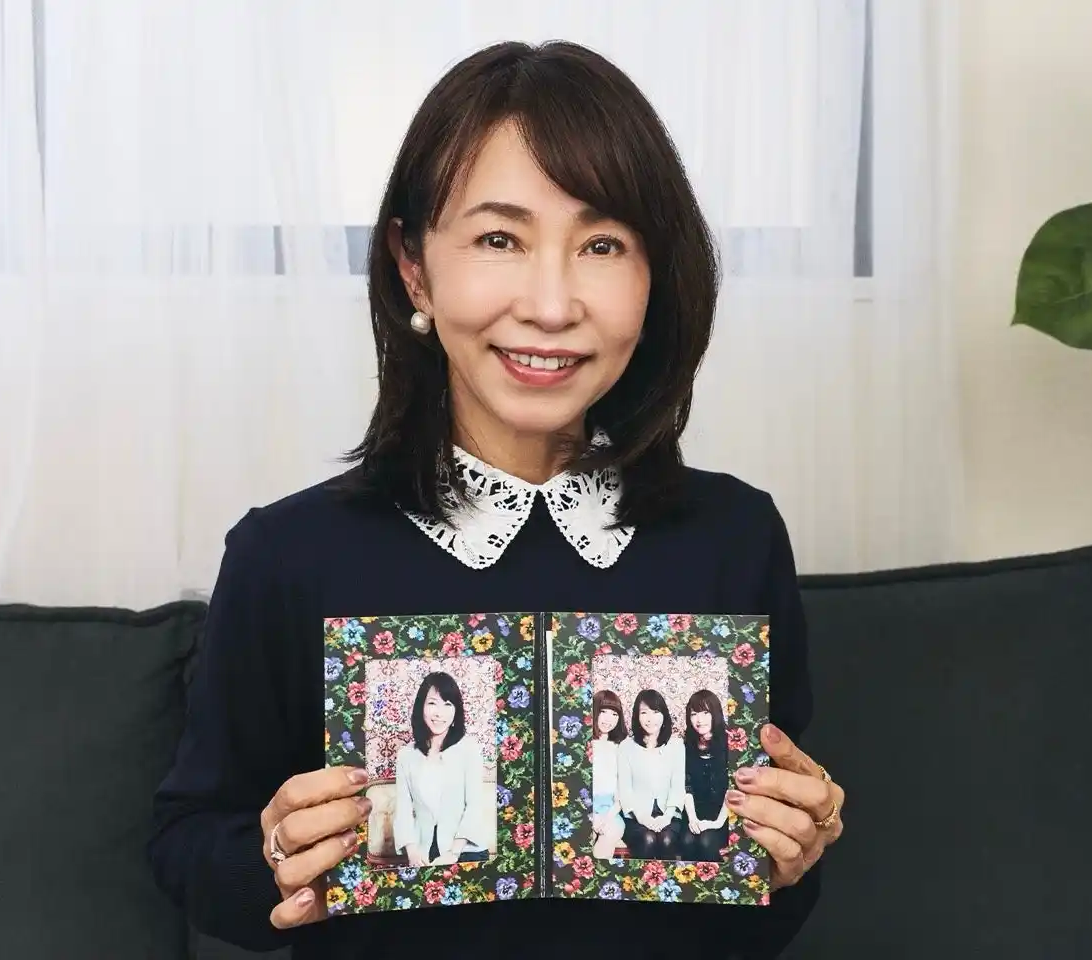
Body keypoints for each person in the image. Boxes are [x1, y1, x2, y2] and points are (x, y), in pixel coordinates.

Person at [149, 38, 845, 960]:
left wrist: (791, 853)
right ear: (413, 266)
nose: (551, 306)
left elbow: (759, 895)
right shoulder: (289, 555)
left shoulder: (734, 537)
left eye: (602, 244)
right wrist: (274, 856)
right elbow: (190, 846)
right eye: (499, 239)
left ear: (654, 277)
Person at [391, 671, 489, 866]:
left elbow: (475, 806)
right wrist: (412, 852)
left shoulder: (469, 749)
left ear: (455, 711)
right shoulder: (406, 755)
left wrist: (453, 853)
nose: (439, 713)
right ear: (421, 707)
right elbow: (402, 811)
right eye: (432, 703)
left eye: (448, 704)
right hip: (423, 854)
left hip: (466, 851)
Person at [617, 689, 685, 859]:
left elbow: (678, 785)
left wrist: (667, 816)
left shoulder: (676, 745)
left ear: (664, 715)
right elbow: (625, 789)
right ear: (637, 716)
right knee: (648, 839)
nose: (650, 718)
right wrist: (642, 817)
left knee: (667, 839)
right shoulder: (626, 747)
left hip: (670, 814)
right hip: (635, 816)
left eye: (655, 712)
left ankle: (668, 877)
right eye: (644, 713)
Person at [681, 688, 733, 863]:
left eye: (705, 713)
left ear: (715, 714)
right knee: (687, 841)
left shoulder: (730, 744)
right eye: (694, 714)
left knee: (706, 841)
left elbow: (733, 787)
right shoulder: (686, 746)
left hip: (724, 814)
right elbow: (686, 786)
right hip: (693, 813)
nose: (699, 720)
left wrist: (717, 823)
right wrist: (693, 819)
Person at [589, 688, 628, 860]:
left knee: (608, 834)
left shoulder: (620, 748)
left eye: (614, 714)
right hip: (585, 809)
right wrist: (593, 817)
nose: (608, 719)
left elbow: (621, 796)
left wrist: (605, 818)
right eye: (603, 711)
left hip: (611, 812)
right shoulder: (583, 746)